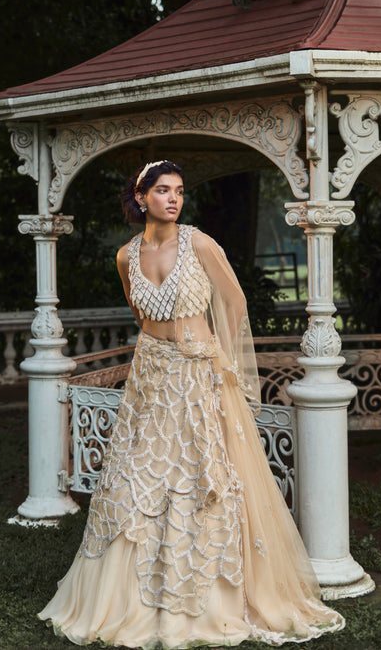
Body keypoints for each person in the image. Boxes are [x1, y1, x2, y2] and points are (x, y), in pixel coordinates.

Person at [39, 160, 345, 648]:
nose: (174, 199)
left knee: (203, 480)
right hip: (151, 377)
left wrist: (214, 357)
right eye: (163, 190)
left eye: (178, 191)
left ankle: (211, 599)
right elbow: (139, 313)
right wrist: (162, 350)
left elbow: (235, 303)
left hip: (200, 375)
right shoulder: (125, 256)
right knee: (137, 478)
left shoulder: (199, 243)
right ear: (142, 198)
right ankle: (132, 598)